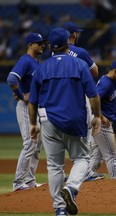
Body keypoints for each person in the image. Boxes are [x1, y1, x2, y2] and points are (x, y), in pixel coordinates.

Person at [28, 27, 101, 216]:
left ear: (51, 45)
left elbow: (32, 102)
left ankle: (59, 209)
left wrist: (33, 124)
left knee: (54, 165)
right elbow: (93, 96)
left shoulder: (41, 67)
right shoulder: (79, 65)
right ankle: (71, 188)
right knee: (82, 158)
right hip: (73, 120)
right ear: (68, 43)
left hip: (48, 121)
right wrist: (97, 116)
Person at [63, 21, 104, 181]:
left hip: (60, 97)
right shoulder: (80, 52)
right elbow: (95, 71)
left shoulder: (53, 54)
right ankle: (84, 172)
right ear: (73, 34)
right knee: (87, 133)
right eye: (77, 32)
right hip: (79, 96)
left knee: (62, 136)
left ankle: (73, 172)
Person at [6, 32, 46, 191]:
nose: (42, 45)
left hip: (37, 108)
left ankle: (29, 181)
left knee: (37, 146)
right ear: (30, 45)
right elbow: (11, 79)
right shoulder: (25, 61)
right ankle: (18, 183)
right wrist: (22, 96)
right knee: (30, 143)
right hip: (26, 108)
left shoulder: (36, 63)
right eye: (39, 42)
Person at [83, 58, 116, 180]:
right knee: (111, 155)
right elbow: (92, 99)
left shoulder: (109, 81)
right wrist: (101, 116)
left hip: (99, 122)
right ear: (115, 71)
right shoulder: (106, 83)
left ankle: (82, 178)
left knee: (97, 157)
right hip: (102, 124)